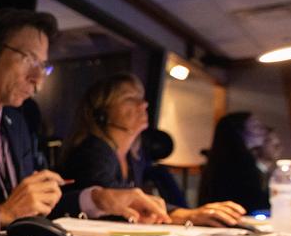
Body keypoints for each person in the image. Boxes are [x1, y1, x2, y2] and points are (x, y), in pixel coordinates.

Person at [0, 8, 173, 233]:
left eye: (43, 66)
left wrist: (98, 198)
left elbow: (40, 202)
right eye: (29, 60)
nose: (37, 80)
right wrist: (2, 214)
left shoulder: (17, 121)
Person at [61, 73, 245, 227]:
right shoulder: (93, 151)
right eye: (130, 98)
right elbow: (117, 201)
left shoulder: (135, 157)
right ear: (101, 113)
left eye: (141, 98)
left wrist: (185, 213)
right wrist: (185, 215)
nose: (143, 105)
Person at [198, 112, 280, 213]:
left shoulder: (249, 164)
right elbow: (254, 204)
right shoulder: (232, 167)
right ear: (239, 132)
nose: (263, 131)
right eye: (256, 126)